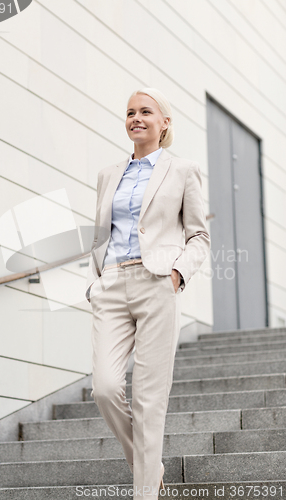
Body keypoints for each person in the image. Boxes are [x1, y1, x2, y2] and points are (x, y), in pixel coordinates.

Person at [85, 88, 210, 499]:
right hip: (112, 286)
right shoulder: (107, 174)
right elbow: (101, 234)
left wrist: (176, 273)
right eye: (130, 112)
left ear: (164, 122)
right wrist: (95, 281)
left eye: (145, 112)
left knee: (149, 400)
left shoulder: (183, 170)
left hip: (157, 282)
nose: (136, 118)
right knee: (104, 386)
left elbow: (199, 236)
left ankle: (145, 494)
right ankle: (149, 466)